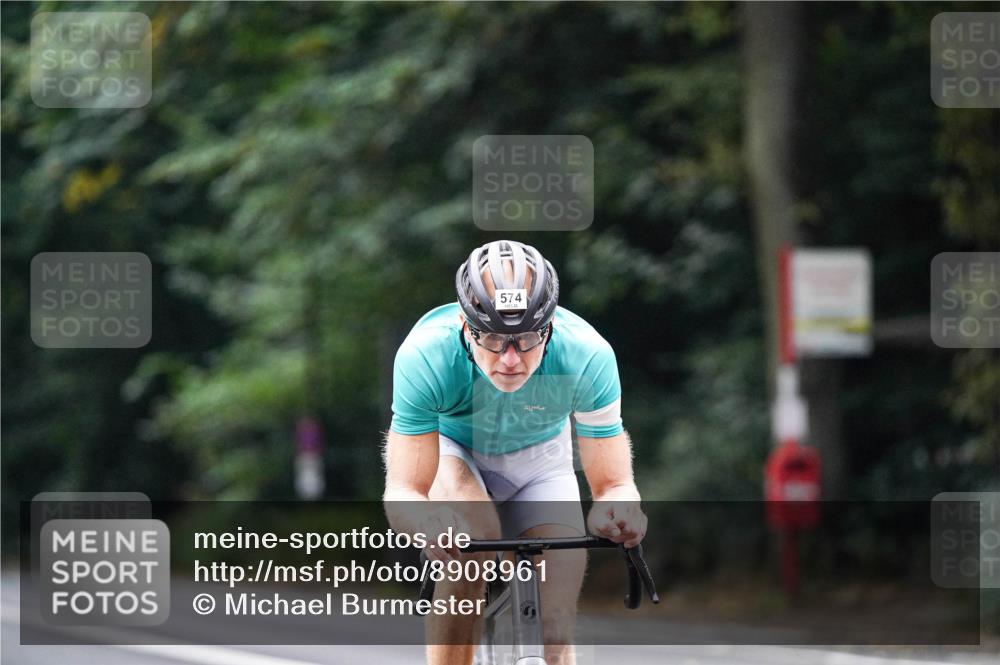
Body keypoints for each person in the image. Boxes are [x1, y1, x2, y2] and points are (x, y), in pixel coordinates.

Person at [383, 239, 646, 665]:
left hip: (540, 459)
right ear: (466, 327)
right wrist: (426, 520)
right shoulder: (426, 355)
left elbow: (614, 484)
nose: (509, 359)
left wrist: (619, 510)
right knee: (473, 542)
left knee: (554, 630)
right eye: (491, 338)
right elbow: (403, 490)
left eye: (525, 338)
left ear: (550, 326)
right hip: (456, 451)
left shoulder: (587, 355)